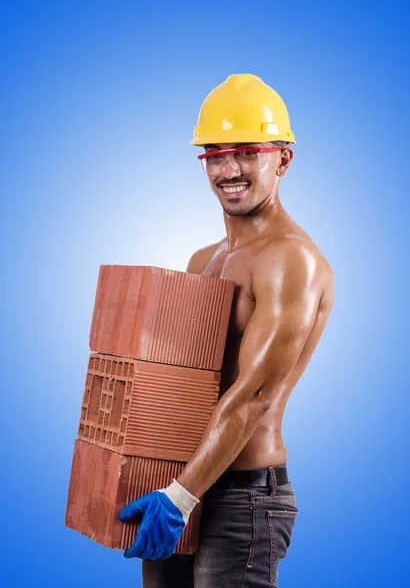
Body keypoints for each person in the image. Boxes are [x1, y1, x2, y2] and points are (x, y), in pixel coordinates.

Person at [118, 73, 334, 587]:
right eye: (215, 153)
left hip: (243, 498)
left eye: (246, 151)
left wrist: (180, 497)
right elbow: (180, 378)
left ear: (283, 158)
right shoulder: (202, 260)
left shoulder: (290, 260)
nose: (229, 168)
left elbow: (255, 393)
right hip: (180, 484)